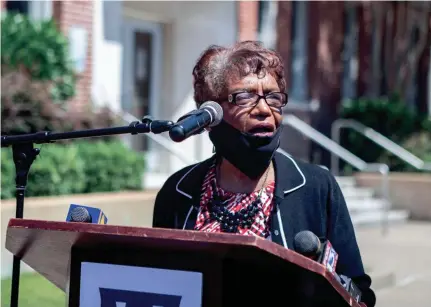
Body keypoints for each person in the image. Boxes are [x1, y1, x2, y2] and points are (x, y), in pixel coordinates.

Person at [152, 41, 375, 307]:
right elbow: (159, 283)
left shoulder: (316, 186)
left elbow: (359, 292)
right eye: (244, 97)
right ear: (209, 114)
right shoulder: (179, 191)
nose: (263, 109)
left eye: (273, 97)